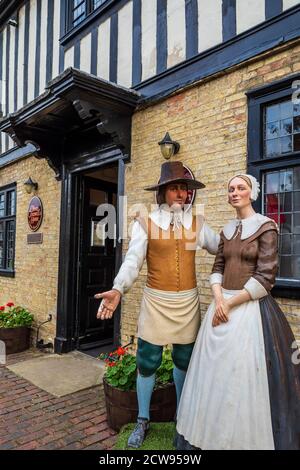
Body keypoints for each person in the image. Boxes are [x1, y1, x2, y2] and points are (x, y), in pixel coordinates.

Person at [94, 161, 220, 448]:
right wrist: (118, 288)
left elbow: (221, 247)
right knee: (147, 361)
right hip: (156, 302)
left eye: (184, 189)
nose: (181, 194)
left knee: (184, 360)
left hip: (187, 303)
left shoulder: (197, 223)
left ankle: (182, 419)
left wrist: (248, 233)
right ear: (162, 192)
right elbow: (133, 260)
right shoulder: (146, 222)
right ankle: (142, 420)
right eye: (175, 188)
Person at [175, 173, 300, 450]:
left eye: (240, 188)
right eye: (231, 188)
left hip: (250, 309)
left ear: (251, 193)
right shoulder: (227, 230)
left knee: (242, 378)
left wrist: (230, 304)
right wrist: (219, 299)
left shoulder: (266, 227)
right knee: (213, 376)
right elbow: (217, 267)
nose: (234, 192)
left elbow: (266, 276)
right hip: (222, 305)